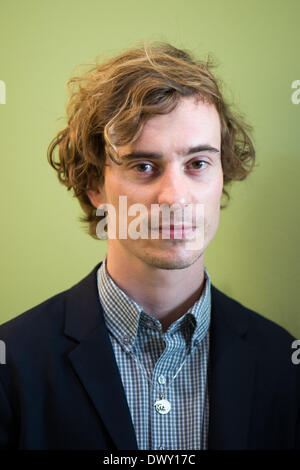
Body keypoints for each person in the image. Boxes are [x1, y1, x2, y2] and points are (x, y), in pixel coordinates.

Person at [0, 42, 299, 450]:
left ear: (222, 177)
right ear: (94, 186)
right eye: (144, 166)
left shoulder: (284, 362)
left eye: (198, 164)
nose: (175, 197)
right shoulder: (13, 363)